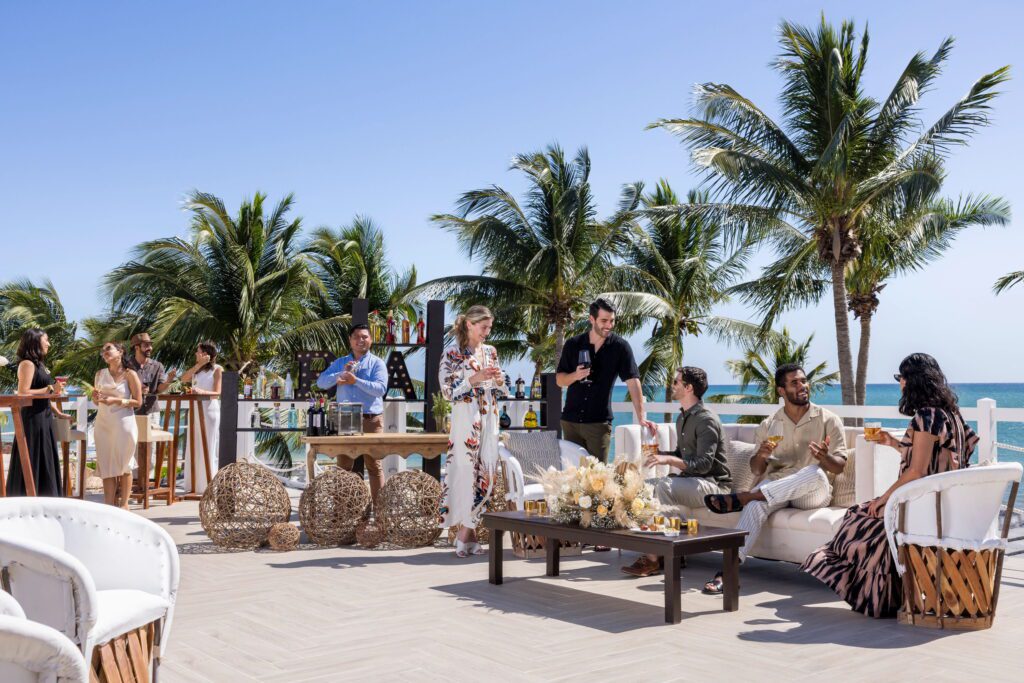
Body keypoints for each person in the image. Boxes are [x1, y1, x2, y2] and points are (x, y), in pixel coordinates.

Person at [802, 353, 978, 618]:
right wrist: (894, 444)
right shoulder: (951, 415)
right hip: (945, 505)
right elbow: (932, 461)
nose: (900, 383)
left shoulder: (926, 416)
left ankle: (875, 595)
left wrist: (883, 499)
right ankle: (885, 594)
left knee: (859, 517)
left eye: (901, 377)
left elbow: (917, 471)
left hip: (924, 509)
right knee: (869, 518)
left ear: (912, 380)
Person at [701, 364, 849, 594]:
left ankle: (747, 496)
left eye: (804, 381)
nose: (802, 386)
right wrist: (760, 455)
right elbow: (757, 469)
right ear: (781, 391)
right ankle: (728, 572)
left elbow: (839, 467)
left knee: (814, 472)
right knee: (754, 507)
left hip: (811, 492)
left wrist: (825, 457)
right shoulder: (769, 424)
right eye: (794, 383)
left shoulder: (828, 420)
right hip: (777, 485)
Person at [622, 366, 732, 577]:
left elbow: (704, 465)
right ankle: (670, 552)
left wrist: (669, 459)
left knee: (663, 486)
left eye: (676, 382)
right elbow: (682, 454)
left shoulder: (706, 419)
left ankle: (653, 558)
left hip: (714, 486)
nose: (672, 385)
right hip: (692, 481)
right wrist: (660, 451)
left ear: (688, 388)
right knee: (644, 487)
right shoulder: (683, 417)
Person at [437, 305, 508, 557]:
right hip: (466, 422)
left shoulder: (490, 352)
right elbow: (446, 390)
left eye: (489, 328)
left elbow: (503, 387)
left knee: (488, 476)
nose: (487, 333)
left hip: (490, 420)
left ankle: (466, 532)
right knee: (465, 474)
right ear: (469, 325)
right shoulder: (452, 353)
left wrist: (500, 380)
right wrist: (472, 379)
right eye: (483, 327)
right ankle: (467, 533)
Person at [556, 298, 655, 462]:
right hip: (570, 422)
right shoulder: (573, 344)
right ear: (591, 319)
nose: (608, 325)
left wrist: (641, 417)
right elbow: (560, 380)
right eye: (604, 320)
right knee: (572, 476)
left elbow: (633, 381)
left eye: (612, 321)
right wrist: (576, 376)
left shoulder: (620, 347)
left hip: (598, 424)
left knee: (598, 478)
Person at [316, 324, 388, 504]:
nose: (360, 340)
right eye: (356, 336)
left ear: (370, 340)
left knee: (374, 466)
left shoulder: (377, 363)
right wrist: (341, 374)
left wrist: (356, 380)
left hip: (371, 419)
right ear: (350, 340)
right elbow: (321, 383)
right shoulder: (340, 362)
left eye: (364, 336)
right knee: (343, 466)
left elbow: (380, 389)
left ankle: (380, 511)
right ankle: (342, 512)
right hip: (345, 416)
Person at [5, 329, 71, 496]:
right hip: (33, 419)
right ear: (35, 342)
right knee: (34, 456)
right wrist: (49, 388)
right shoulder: (27, 364)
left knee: (45, 456)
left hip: (45, 417)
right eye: (46, 340)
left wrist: (58, 412)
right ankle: (29, 497)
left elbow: (44, 396)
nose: (49, 343)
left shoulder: (40, 364)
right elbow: (23, 392)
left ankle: (46, 497)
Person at [92, 342, 142, 508]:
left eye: (108, 349)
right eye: (103, 351)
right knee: (106, 465)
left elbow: (138, 402)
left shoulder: (130, 374)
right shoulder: (99, 374)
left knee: (124, 464)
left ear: (120, 352)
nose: (104, 353)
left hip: (123, 423)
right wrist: (95, 397)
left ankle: (124, 505)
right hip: (103, 423)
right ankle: (108, 506)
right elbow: (97, 401)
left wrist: (117, 400)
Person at [180, 341, 223, 494]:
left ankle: (207, 483)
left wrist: (201, 392)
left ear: (206, 354)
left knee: (207, 445)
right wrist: (198, 366)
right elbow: (183, 379)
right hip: (195, 410)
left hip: (209, 411)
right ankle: (193, 484)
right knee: (194, 444)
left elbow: (217, 393)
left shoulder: (217, 369)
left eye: (198, 352)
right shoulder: (196, 371)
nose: (195, 354)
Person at [123, 332, 176, 417]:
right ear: (137, 348)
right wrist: (138, 390)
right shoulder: (126, 366)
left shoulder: (158, 366)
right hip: (131, 412)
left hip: (152, 412)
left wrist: (169, 379)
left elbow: (159, 390)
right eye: (146, 345)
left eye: (150, 345)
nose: (150, 348)